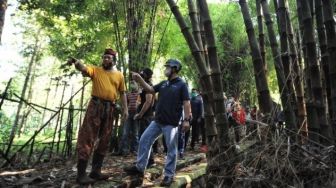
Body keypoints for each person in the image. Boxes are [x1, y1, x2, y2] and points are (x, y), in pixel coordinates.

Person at [124, 59, 191, 186]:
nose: (165, 69)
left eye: (168, 67)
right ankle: (139, 167)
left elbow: (186, 102)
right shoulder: (164, 83)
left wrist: (187, 120)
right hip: (157, 121)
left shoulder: (181, 85)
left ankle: (169, 175)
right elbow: (150, 89)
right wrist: (139, 80)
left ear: (175, 68)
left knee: (171, 149)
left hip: (171, 123)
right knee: (144, 139)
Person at [68, 48, 128, 185]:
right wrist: (76, 62)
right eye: (104, 57)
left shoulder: (119, 75)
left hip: (110, 109)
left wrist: (125, 109)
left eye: (108, 58)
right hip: (95, 107)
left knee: (105, 140)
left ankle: (96, 171)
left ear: (113, 60)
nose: (105, 60)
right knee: (87, 137)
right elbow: (83, 68)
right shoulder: (96, 70)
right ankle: (81, 174)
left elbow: (123, 93)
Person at [134, 68, 156, 167]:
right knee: (143, 138)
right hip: (144, 116)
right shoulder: (143, 86)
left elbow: (148, 102)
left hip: (146, 116)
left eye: (143, 74)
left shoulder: (149, 86)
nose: (141, 75)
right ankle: (145, 160)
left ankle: (150, 161)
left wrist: (140, 114)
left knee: (145, 138)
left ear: (147, 76)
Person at [117, 80, 139, 156]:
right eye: (131, 84)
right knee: (125, 133)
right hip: (129, 114)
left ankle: (135, 150)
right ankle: (125, 150)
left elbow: (140, 103)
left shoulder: (139, 94)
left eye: (134, 83)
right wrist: (124, 114)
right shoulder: (128, 94)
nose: (132, 85)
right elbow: (125, 105)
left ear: (137, 85)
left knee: (135, 133)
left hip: (136, 114)